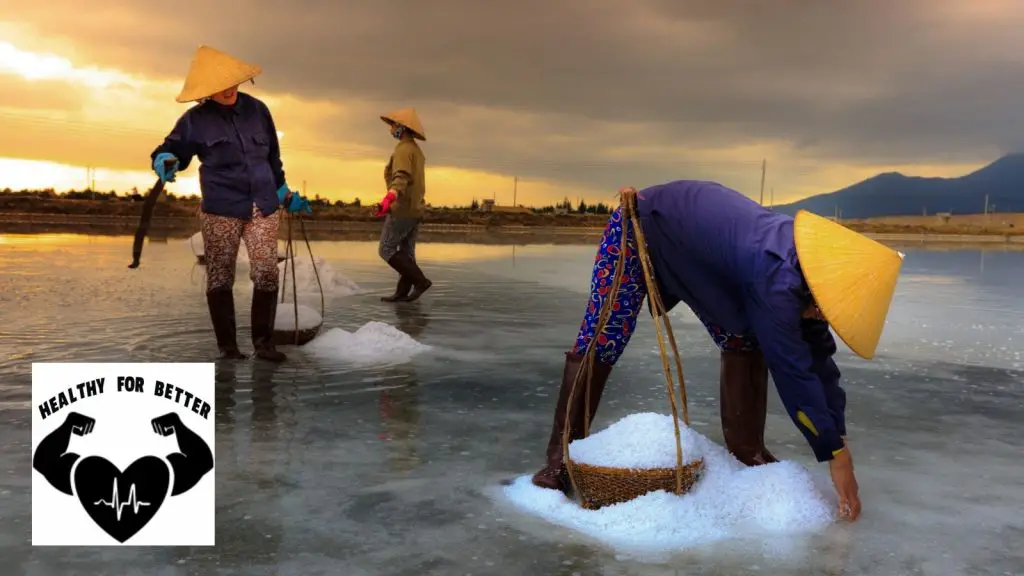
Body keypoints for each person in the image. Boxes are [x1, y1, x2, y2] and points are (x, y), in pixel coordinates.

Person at [529, 180, 904, 522]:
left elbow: (820, 361)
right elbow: (793, 372)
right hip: (643, 226)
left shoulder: (812, 275)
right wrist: (836, 458)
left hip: (706, 262)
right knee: (603, 336)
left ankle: (747, 450)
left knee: (742, 339)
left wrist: (836, 436)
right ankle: (561, 459)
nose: (823, 316)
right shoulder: (778, 278)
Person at [150, 45, 313, 362]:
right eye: (217, 86)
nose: (227, 90)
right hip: (221, 208)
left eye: (230, 82)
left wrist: (285, 194)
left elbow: (273, 160)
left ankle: (264, 344)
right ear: (206, 91)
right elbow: (171, 151)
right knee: (220, 276)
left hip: (263, 206)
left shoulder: (258, 111)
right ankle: (228, 349)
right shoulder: (194, 121)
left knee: (266, 273)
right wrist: (165, 160)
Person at [374, 108, 432, 302]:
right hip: (416, 209)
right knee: (407, 252)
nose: (391, 128)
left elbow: (401, 177)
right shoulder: (416, 151)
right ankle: (402, 292)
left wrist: (390, 198)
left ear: (402, 127)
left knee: (386, 249)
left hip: (403, 208)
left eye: (393, 125)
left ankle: (421, 281)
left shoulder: (403, 150)